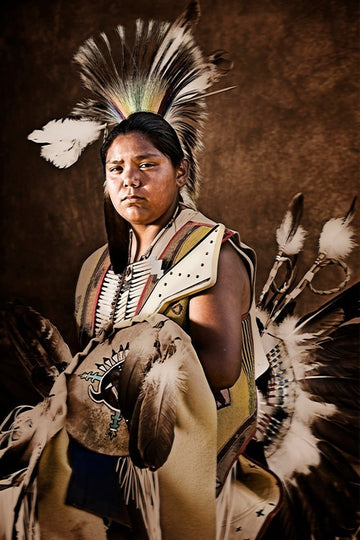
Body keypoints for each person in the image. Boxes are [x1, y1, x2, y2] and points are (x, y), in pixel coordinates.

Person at [0, 3, 282, 539]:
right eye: (116, 169)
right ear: (104, 183)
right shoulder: (98, 267)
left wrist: (140, 360)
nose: (130, 179)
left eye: (147, 164)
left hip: (191, 439)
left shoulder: (211, 252)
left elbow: (220, 371)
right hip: (103, 428)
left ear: (180, 172)